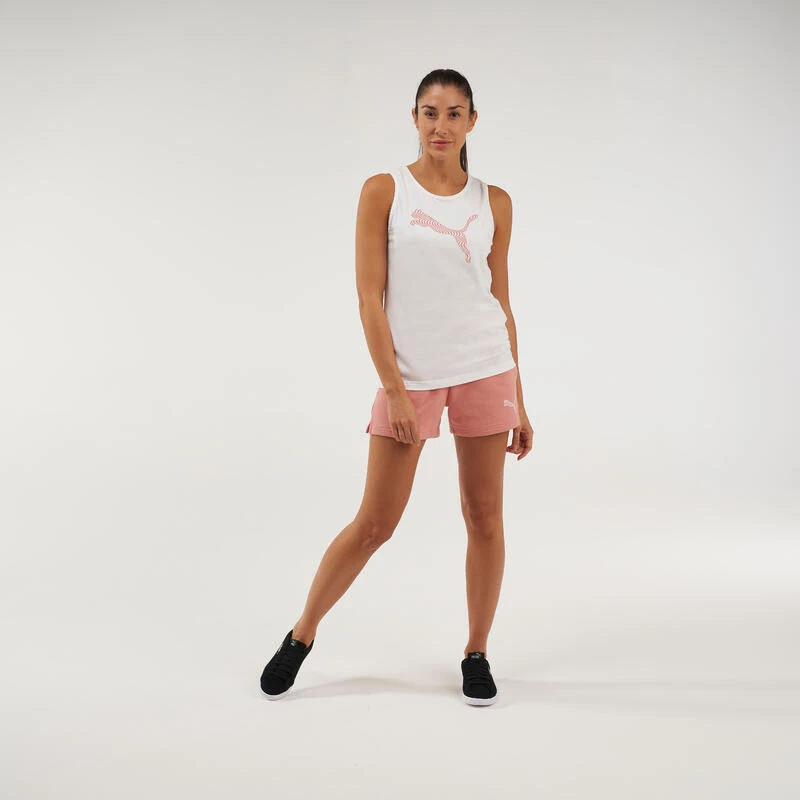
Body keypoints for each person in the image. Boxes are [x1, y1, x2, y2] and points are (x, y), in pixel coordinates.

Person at [260, 68, 533, 706]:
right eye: (430, 113)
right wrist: (397, 390)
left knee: (484, 518)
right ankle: (301, 635)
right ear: (414, 118)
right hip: (410, 378)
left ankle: (476, 652)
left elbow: (501, 301)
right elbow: (369, 298)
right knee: (375, 523)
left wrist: (519, 398)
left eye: (455, 113)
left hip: (486, 368)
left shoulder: (494, 202)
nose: (441, 126)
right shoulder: (386, 191)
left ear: (472, 122)